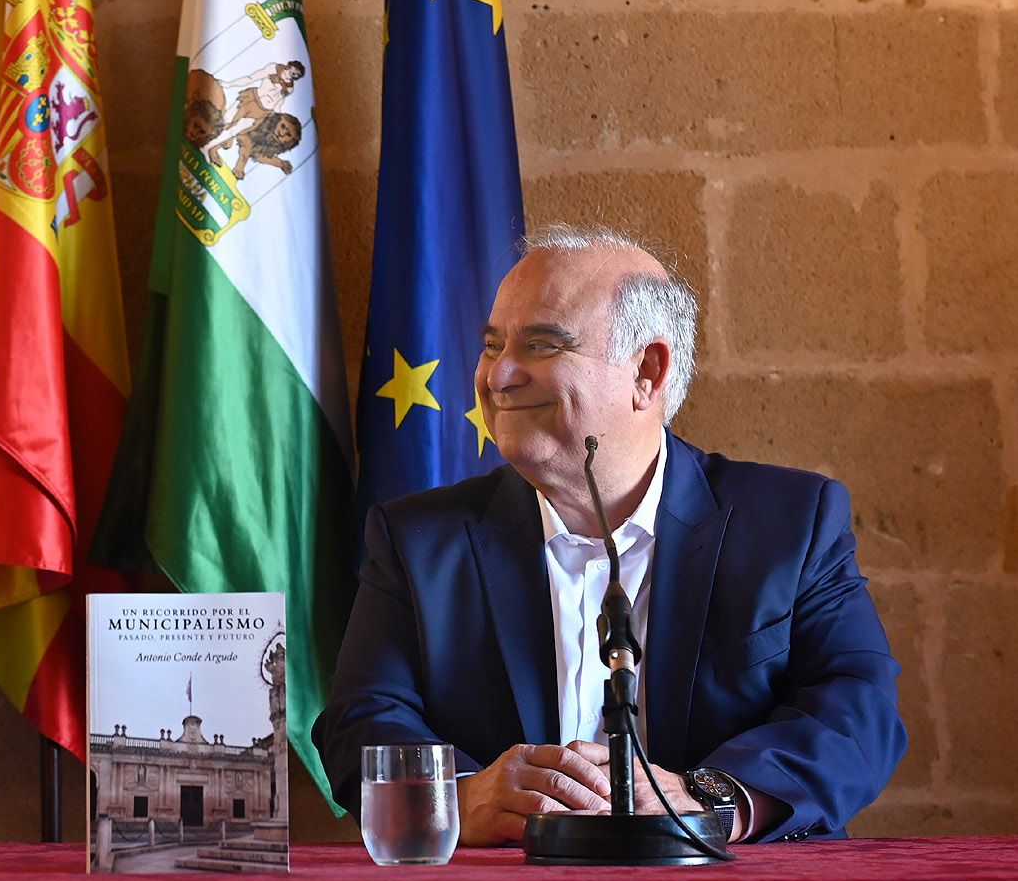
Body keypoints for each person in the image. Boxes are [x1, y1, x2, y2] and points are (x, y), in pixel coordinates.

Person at [314, 226, 905, 846]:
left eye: (541, 345)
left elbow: (859, 713)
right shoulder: (417, 541)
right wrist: (461, 796)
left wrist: (712, 797)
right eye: (492, 347)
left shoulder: (791, 523)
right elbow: (360, 725)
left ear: (646, 372)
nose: (499, 376)